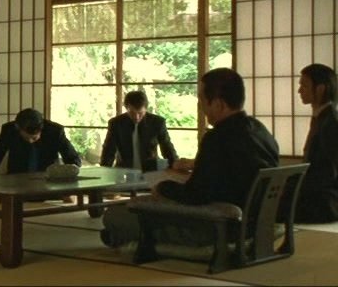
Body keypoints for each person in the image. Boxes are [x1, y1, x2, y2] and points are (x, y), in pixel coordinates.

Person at [101, 68, 279, 247]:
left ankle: (122, 238)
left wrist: (162, 187)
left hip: (217, 225)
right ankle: (119, 238)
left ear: (218, 104)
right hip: (255, 224)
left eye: (202, 100)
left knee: (116, 215)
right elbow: (234, 168)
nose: (200, 106)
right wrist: (195, 165)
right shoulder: (260, 131)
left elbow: (196, 195)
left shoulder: (216, 138)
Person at [293, 63, 338, 223]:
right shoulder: (323, 119)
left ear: (320, 89)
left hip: (324, 202)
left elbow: (328, 172)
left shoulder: (331, 124)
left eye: (304, 85)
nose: (299, 91)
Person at [0, 108, 82, 175]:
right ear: (18, 128)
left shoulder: (55, 131)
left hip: (47, 176)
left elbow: (72, 158)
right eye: (27, 138)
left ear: (41, 129)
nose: (30, 141)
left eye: (34, 138)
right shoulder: (10, 130)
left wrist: (68, 175)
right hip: (17, 176)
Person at [100, 90, 178, 172]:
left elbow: (167, 148)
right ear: (126, 108)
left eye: (140, 113)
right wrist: (103, 171)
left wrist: (176, 166)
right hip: (124, 171)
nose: (136, 117)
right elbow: (108, 151)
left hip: (151, 171)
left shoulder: (157, 122)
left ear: (146, 109)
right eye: (132, 113)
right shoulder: (116, 123)